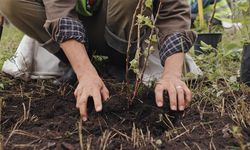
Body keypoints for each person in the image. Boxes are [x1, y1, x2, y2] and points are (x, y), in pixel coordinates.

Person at [0, 0, 197, 121]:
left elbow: (172, 10)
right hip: (74, 26)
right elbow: (59, 7)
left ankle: (120, 62)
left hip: (124, 32)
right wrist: (85, 73)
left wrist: (171, 74)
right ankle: (75, 63)